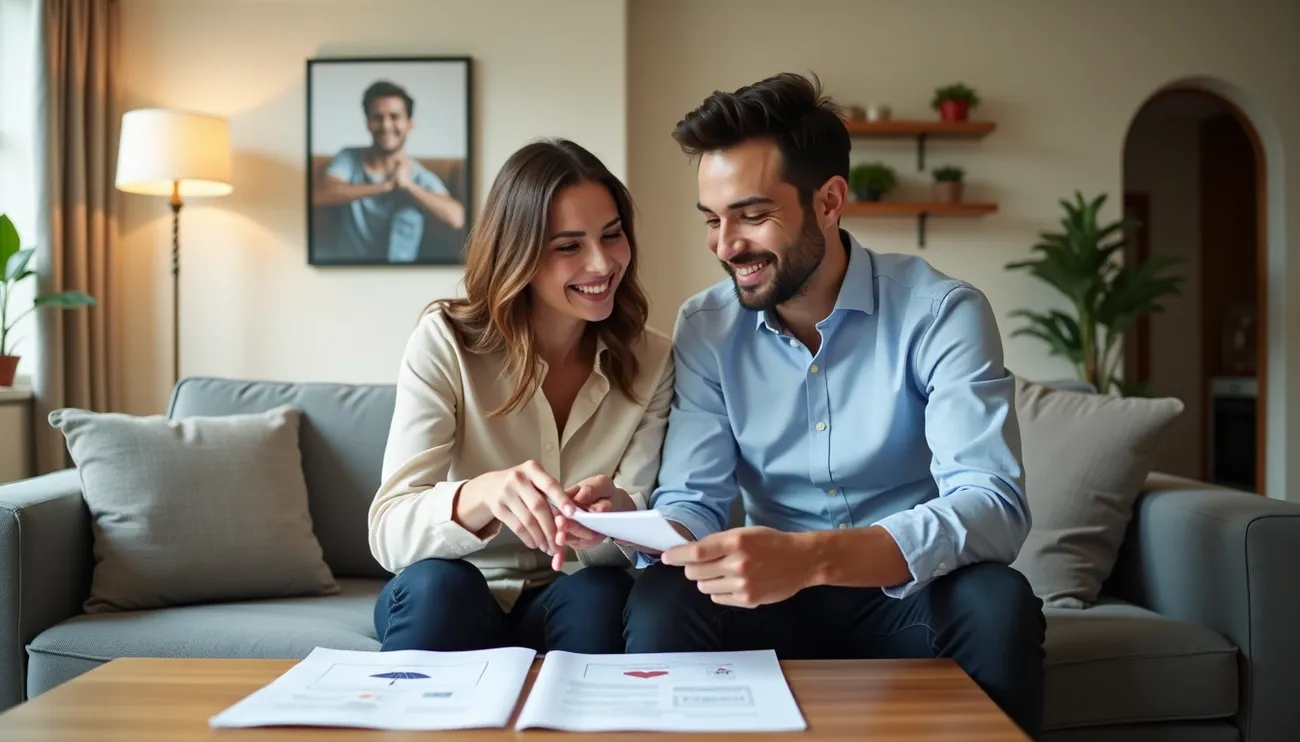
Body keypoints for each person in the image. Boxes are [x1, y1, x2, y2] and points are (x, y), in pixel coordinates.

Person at [621, 73, 1046, 738]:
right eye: (713, 219)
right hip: (762, 604)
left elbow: (992, 505)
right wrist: (640, 527)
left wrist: (814, 557)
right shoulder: (705, 326)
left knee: (997, 601)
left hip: (901, 601)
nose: (726, 245)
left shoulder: (942, 313)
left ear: (829, 200)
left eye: (752, 215)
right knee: (660, 598)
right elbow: (693, 502)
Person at [370, 138, 674, 655]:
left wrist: (617, 516)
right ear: (520, 254)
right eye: (569, 246)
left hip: (570, 595)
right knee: (439, 587)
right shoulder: (445, 341)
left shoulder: (654, 360)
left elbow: (635, 544)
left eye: (612, 235)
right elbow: (389, 532)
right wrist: (483, 494)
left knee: (602, 594)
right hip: (452, 589)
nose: (602, 264)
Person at [312, 80, 467, 263]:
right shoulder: (349, 158)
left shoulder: (419, 176)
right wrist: (386, 186)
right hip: (346, 273)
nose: (386, 125)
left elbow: (457, 217)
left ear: (410, 124)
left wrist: (408, 187)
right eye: (377, 117)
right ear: (368, 123)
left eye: (394, 117)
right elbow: (321, 194)